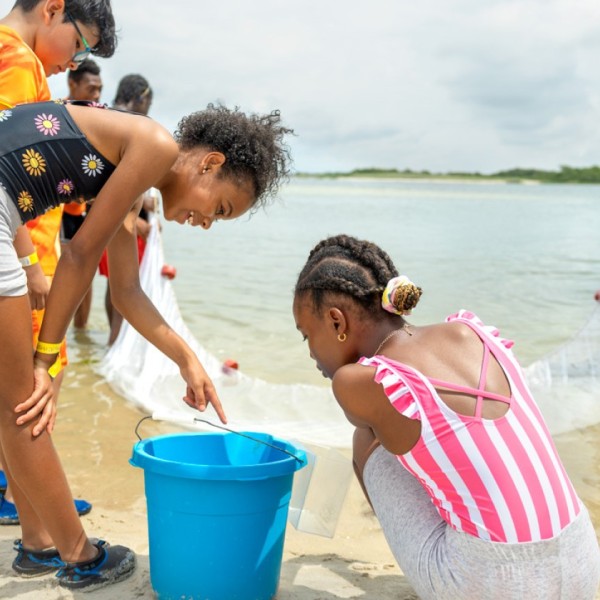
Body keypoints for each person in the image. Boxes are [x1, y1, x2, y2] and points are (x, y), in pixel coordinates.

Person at [0, 98, 292, 590]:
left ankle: (37, 544)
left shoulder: (133, 172)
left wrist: (187, 360)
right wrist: (45, 363)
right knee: (22, 402)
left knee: (11, 403)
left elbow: (126, 291)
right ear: (210, 162)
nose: (205, 223)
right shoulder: (155, 145)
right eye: (217, 208)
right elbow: (78, 257)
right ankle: (79, 553)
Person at [292, 234, 600, 600]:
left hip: (494, 584)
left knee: (367, 441)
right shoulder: (471, 331)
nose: (311, 352)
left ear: (336, 321)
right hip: (582, 560)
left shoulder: (359, 382)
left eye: (306, 335)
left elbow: (379, 427)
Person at [0, 0, 115, 532]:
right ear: (51, 9)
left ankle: (39, 524)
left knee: (17, 399)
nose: (77, 61)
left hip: (25, 259)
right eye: (82, 44)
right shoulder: (17, 62)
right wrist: (28, 262)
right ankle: (44, 534)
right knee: (31, 401)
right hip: (22, 265)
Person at [97, 73, 155, 344]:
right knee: (127, 286)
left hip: (104, 217)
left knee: (114, 285)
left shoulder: (106, 116)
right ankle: (115, 344)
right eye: (148, 103)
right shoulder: (129, 122)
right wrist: (136, 217)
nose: (148, 110)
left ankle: (112, 340)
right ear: (140, 98)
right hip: (123, 218)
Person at [60, 57, 103, 329]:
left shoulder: (98, 117)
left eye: (100, 88)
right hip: (58, 214)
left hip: (85, 212)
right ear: (72, 83)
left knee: (86, 277)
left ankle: (81, 336)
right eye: (91, 88)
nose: (97, 95)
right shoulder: (58, 115)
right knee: (62, 275)